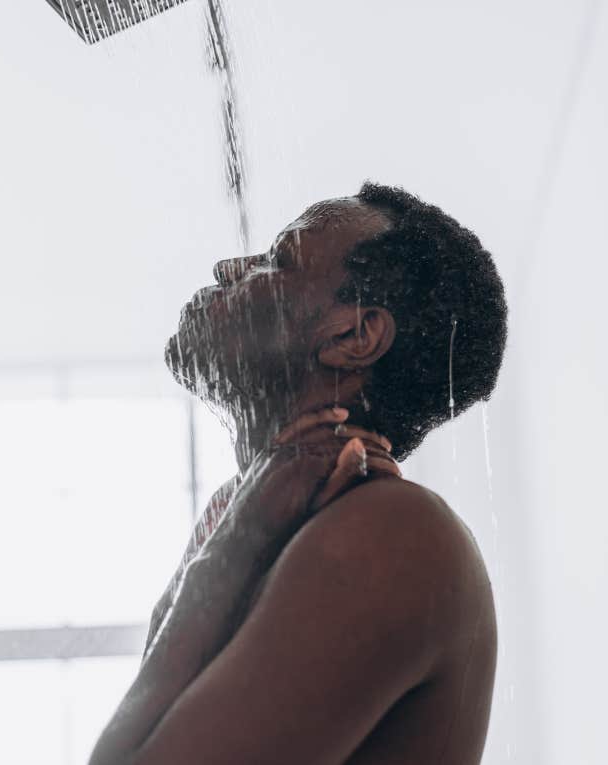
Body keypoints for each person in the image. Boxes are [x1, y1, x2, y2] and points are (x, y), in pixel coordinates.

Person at [90, 182, 509, 764]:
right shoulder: (262, 515)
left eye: (277, 260)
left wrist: (227, 555)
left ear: (352, 336)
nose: (231, 266)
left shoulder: (394, 531)